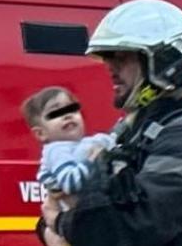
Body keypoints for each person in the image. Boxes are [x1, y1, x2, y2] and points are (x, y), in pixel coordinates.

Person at [42, 0, 182, 246]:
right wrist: (57, 225)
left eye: (121, 57)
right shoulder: (134, 132)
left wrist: (59, 223)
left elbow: (135, 227)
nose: (110, 67)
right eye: (108, 58)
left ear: (164, 64)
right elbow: (79, 205)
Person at [21, 86, 115, 244]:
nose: (67, 115)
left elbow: (111, 141)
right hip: (73, 222)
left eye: (72, 109)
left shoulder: (82, 144)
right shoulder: (56, 150)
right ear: (41, 133)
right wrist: (92, 159)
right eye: (55, 113)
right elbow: (70, 182)